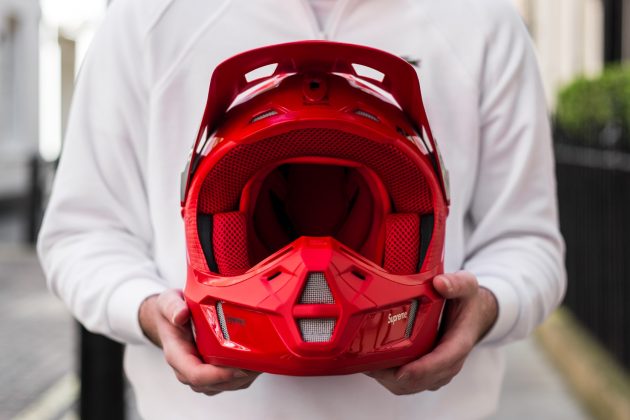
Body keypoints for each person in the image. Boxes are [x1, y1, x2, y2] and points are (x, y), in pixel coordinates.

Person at [37, 0, 566, 419]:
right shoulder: (148, 15)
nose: (316, 267)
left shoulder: (482, 18)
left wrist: (487, 307)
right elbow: (83, 234)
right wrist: (147, 311)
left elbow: (527, 241)